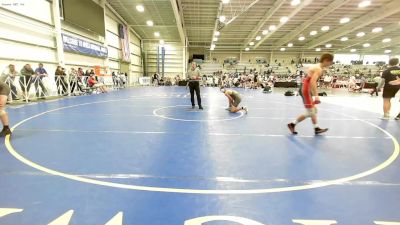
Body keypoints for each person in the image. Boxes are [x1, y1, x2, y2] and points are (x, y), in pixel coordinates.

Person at [288, 53, 334, 135]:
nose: (330, 65)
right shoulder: (318, 69)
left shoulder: (316, 66)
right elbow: (312, 82)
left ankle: (316, 128)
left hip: (306, 88)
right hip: (306, 89)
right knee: (310, 112)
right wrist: (316, 96)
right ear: (326, 60)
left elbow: (309, 78)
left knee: (313, 110)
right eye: (330, 62)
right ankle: (292, 124)